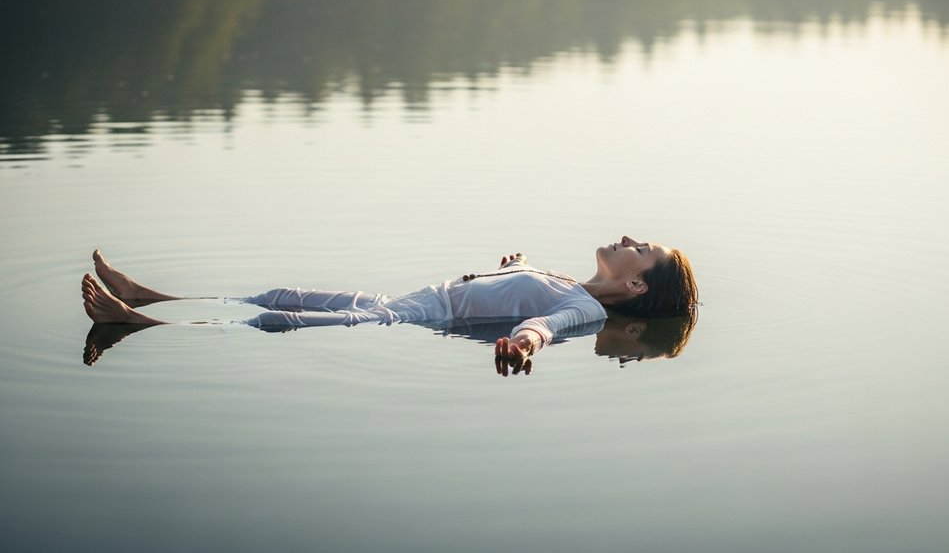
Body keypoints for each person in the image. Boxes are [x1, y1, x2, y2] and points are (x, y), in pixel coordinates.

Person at [81, 236, 698, 368]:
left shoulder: (585, 312)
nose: (626, 240)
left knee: (279, 319)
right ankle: (147, 294)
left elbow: (545, 320)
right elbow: (531, 291)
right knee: (279, 293)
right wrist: (515, 267)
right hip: (402, 300)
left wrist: (527, 342)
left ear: (638, 285)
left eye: (640, 249)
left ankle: (141, 323)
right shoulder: (570, 278)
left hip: (411, 317)